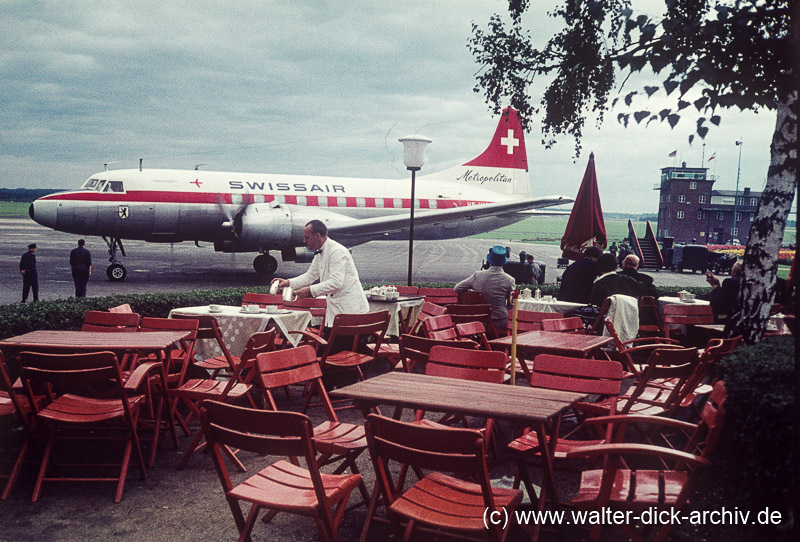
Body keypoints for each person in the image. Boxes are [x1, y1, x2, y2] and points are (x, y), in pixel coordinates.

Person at [273, 219, 368, 330]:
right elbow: (310, 276)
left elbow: (336, 282)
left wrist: (309, 291)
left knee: (336, 346)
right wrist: (288, 283)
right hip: (336, 312)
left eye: (306, 237)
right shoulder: (320, 252)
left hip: (351, 312)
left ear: (317, 236)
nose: (304, 241)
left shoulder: (337, 251)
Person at [455, 245, 516, 334]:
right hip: (499, 320)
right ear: (503, 263)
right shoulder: (510, 280)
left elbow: (457, 288)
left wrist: (473, 294)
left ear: (489, 261)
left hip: (479, 320)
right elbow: (512, 304)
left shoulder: (477, 275)